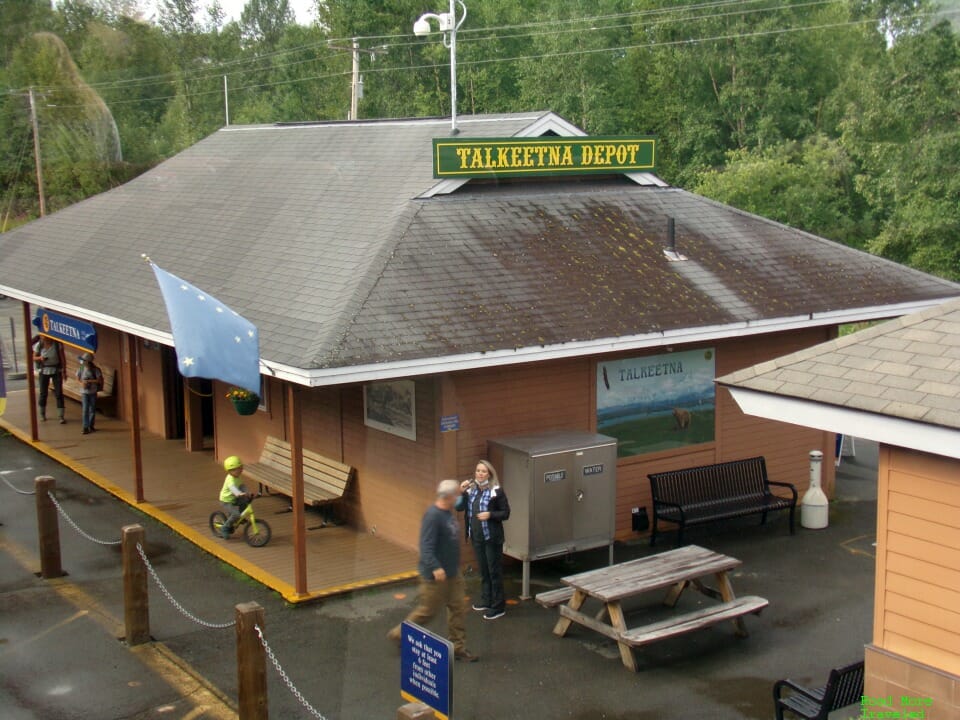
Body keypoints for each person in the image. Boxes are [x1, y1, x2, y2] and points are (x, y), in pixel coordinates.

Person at [388, 480, 478, 662]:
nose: (458, 499)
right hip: (435, 577)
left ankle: (458, 647)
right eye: (456, 496)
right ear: (449, 497)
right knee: (428, 611)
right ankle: (400, 634)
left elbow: (460, 502)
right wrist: (435, 567)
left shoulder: (447, 510)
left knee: (458, 608)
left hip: (453, 573)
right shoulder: (433, 516)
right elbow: (425, 547)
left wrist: (462, 490)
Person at [458, 460, 511, 620]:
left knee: (494, 571)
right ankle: (486, 600)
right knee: (484, 570)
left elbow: (506, 513)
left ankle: (498, 606)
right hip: (477, 537)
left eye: (483, 471)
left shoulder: (496, 491)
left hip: (491, 538)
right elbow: (459, 508)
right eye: (478, 471)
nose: (480, 474)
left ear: (490, 474)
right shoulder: (472, 490)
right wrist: (461, 492)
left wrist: (490, 515)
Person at [33, 336, 66, 423]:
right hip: (44, 370)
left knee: (59, 393)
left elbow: (62, 358)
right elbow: (33, 357)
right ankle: (42, 414)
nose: (44, 338)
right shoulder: (39, 345)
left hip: (56, 370)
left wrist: (64, 371)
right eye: (43, 337)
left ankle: (61, 416)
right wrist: (40, 358)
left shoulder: (57, 345)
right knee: (43, 393)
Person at [219, 455, 251, 539]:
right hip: (226, 501)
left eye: (241, 468)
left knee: (245, 502)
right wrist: (238, 493)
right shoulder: (230, 479)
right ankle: (224, 528)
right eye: (238, 469)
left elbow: (241, 485)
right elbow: (232, 487)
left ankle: (239, 518)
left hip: (234, 498)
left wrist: (247, 492)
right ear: (230, 471)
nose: (241, 470)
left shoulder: (237, 477)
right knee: (235, 514)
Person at [76, 352, 103, 435]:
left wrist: (89, 381)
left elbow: (99, 380)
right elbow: (77, 378)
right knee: (85, 409)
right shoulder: (81, 368)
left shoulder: (96, 370)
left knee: (92, 409)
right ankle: (85, 426)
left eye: (84, 360)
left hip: (93, 392)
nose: (83, 362)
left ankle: (91, 425)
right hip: (84, 392)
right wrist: (82, 383)